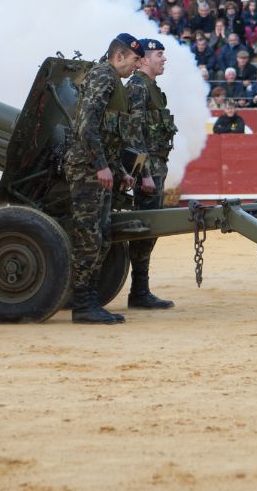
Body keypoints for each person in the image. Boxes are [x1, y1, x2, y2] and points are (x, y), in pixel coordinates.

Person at [62, 34, 146, 324]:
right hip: (86, 168)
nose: (138, 65)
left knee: (103, 235)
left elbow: (107, 135)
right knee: (89, 235)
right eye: (136, 59)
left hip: (96, 167)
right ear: (119, 56)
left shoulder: (114, 81)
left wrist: (119, 170)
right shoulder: (103, 76)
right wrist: (100, 166)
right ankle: (83, 305)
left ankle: (89, 300)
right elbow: (86, 125)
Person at [126, 39, 177, 310]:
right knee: (146, 226)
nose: (163, 59)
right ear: (144, 59)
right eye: (159, 55)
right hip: (149, 168)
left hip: (157, 164)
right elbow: (134, 135)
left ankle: (140, 288)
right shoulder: (137, 87)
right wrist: (144, 173)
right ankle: (139, 290)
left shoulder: (152, 89)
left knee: (150, 227)